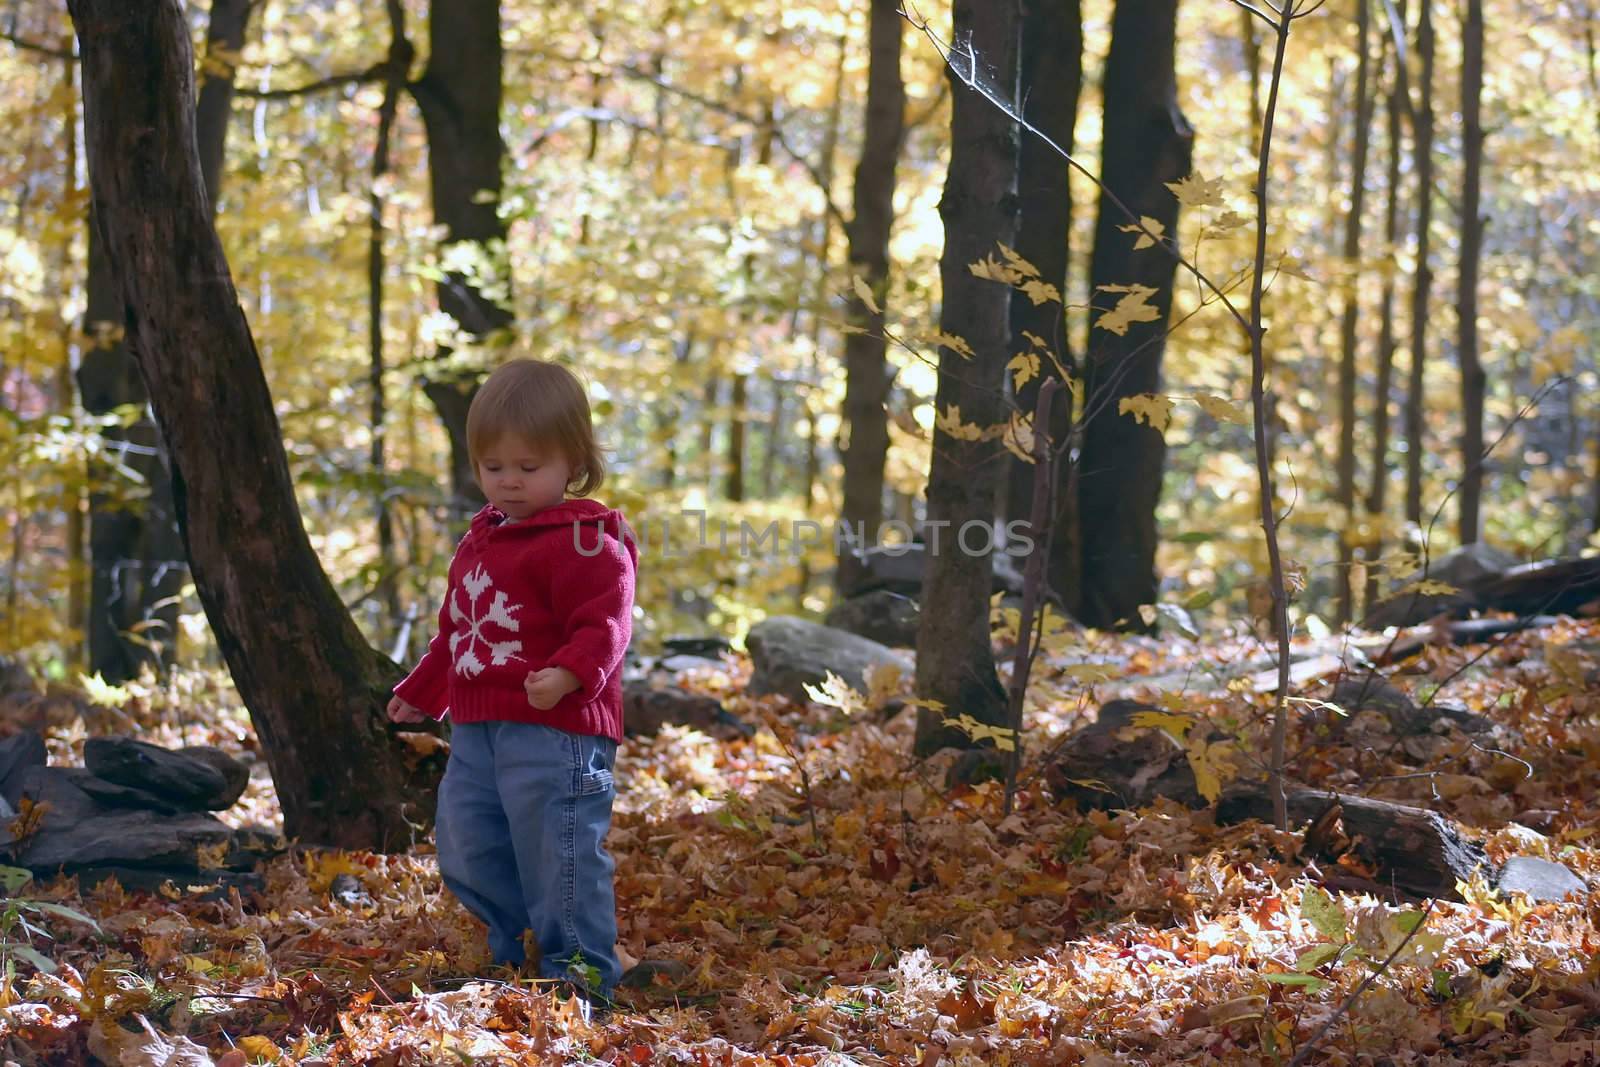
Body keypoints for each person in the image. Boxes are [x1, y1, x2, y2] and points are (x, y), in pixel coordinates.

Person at [386, 358, 637, 1010]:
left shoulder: (585, 540)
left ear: (572, 462)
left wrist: (571, 672)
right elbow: (458, 633)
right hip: (476, 726)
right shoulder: (479, 543)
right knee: (468, 839)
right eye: (495, 467)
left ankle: (578, 976)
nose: (511, 481)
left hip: (557, 728)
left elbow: (606, 621)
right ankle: (509, 953)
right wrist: (423, 689)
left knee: (561, 851)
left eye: (529, 467)